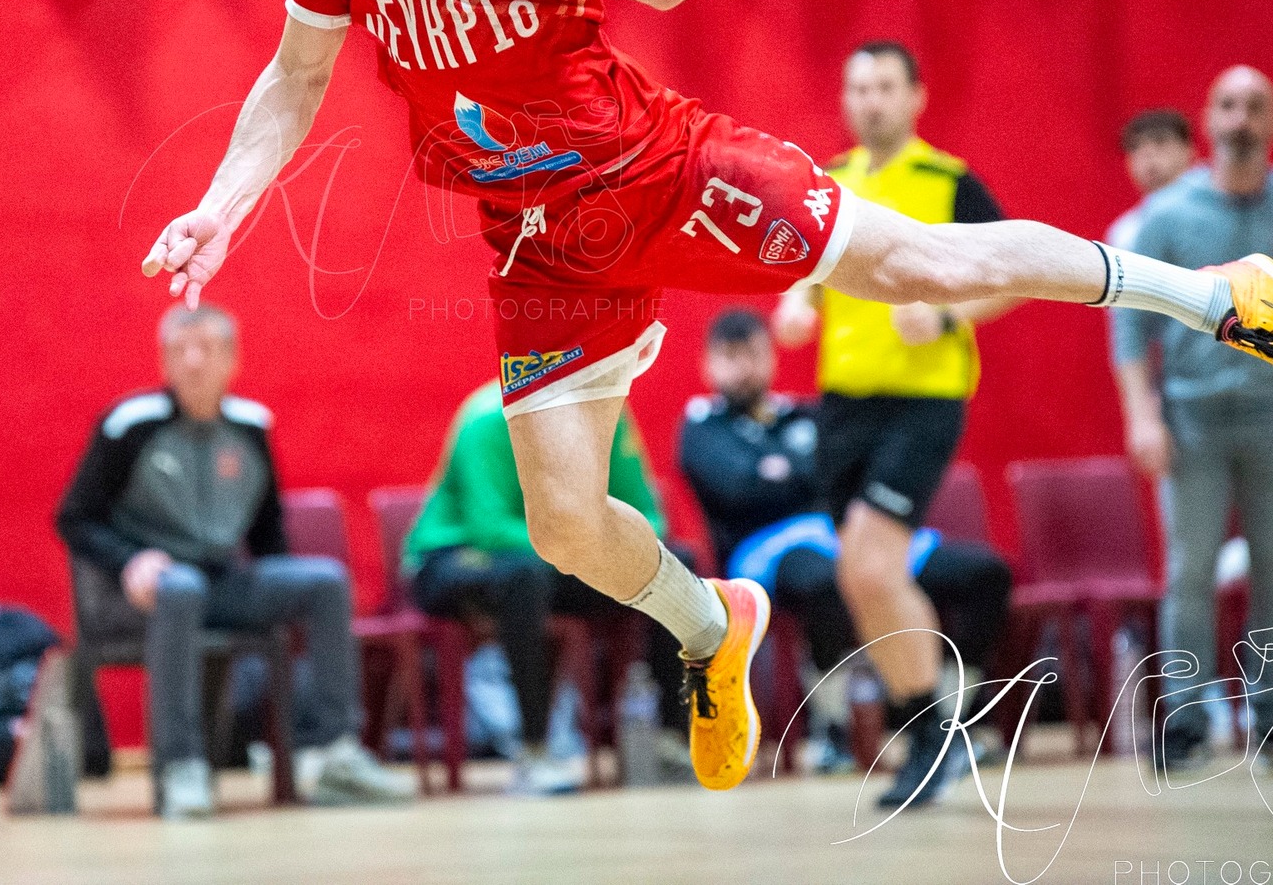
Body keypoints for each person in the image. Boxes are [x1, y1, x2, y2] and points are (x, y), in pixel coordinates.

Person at [138, 0, 1273, 797]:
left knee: (924, 263)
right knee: (564, 525)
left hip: (661, 171)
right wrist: (219, 206)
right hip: (532, 240)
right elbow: (296, 73)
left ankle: (1219, 295)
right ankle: (707, 626)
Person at [767, 42, 1020, 802]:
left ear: (915, 96)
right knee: (858, 575)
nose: (870, 100)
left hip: (923, 401)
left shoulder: (948, 184)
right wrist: (794, 305)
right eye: (858, 88)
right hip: (842, 406)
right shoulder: (830, 182)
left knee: (873, 563)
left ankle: (930, 733)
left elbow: (1012, 275)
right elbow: (808, 276)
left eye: (884, 86)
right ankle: (931, 723)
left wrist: (944, 314)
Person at [1112, 67, 1273, 771]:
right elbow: (1131, 328)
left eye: (1255, 105)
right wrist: (1142, 414)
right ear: (1207, 117)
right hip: (1190, 419)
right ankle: (1188, 719)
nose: (1241, 117)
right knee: (1189, 570)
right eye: (1228, 103)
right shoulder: (1167, 215)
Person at [57, 304, 413, 816]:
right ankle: (181, 767)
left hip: (221, 584)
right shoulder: (128, 425)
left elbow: (268, 532)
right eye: (180, 351)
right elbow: (75, 518)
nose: (194, 361)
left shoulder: (250, 428)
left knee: (324, 581)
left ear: (232, 360)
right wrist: (129, 561)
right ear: (165, 363)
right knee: (181, 588)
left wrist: (277, 594)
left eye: (206, 348)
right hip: (140, 593)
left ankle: (335, 755)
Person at [684, 306, 1011, 802]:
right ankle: (834, 727)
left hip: (838, 532)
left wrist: (783, 472)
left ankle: (953, 713)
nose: (744, 368)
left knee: (983, 573)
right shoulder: (702, 425)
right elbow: (741, 489)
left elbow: (830, 476)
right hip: (764, 554)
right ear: (709, 364)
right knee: (828, 581)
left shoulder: (803, 413)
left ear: (771, 357)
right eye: (730, 357)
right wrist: (796, 474)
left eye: (753, 353)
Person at [404, 381, 688, 793]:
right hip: (454, 554)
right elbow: (491, 529)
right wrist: (586, 546)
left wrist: (621, 550)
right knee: (523, 578)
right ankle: (534, 751)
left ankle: (668, 740)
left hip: (554, 557)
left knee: (669, 565)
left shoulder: (609, 414)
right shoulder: (488, 418)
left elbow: (649, 517)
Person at [1108, 108, 1197, 249]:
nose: (1147, 152)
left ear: (1188, 149)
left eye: (1159, 141)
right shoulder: (1124, 232)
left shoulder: (1224, 205)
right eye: (1135, 146)